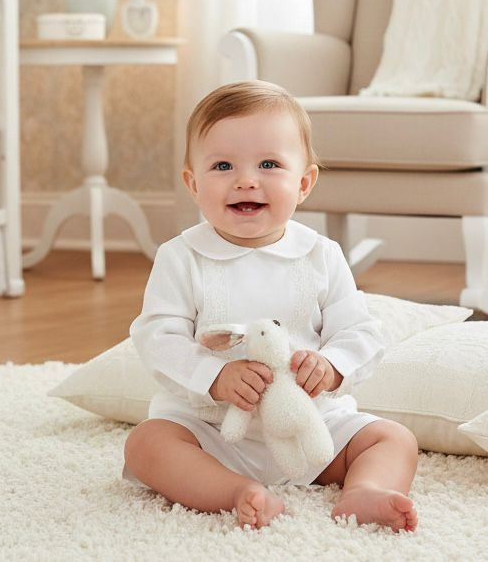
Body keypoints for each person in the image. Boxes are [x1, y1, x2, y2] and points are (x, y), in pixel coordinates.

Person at [123, 80, 419, 533]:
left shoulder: (320, 255)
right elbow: (158, 337)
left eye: (269, 164)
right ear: (193, 183)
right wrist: (215, 377)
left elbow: (359, 330)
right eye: (223, 165)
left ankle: (365, 490)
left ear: (303, 183)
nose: (246, 180)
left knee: (392, 438)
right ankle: (234, 491)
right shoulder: (181, 256)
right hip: (213, 431)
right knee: (147, 444)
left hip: (309, 427)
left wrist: (332, 366)